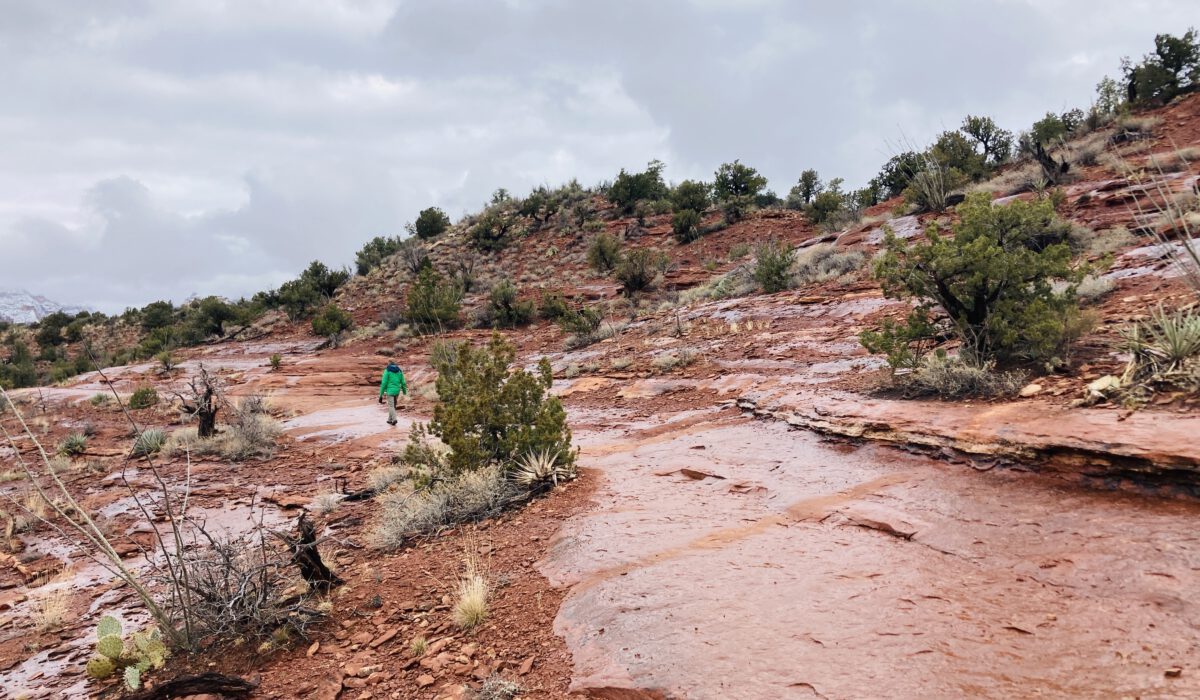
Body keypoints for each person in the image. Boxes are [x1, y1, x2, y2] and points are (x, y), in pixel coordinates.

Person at [378, 360, 408, 426]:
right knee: (393, 406)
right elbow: (403, 382)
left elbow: (384, 383)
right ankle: (389, 420)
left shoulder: (387, 371)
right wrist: (404, 392)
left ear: (389, 364)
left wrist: (381, 395)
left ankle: (394, 419)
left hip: (390, 391)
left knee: (391, 406)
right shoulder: (399, 371)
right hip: (397, 391)